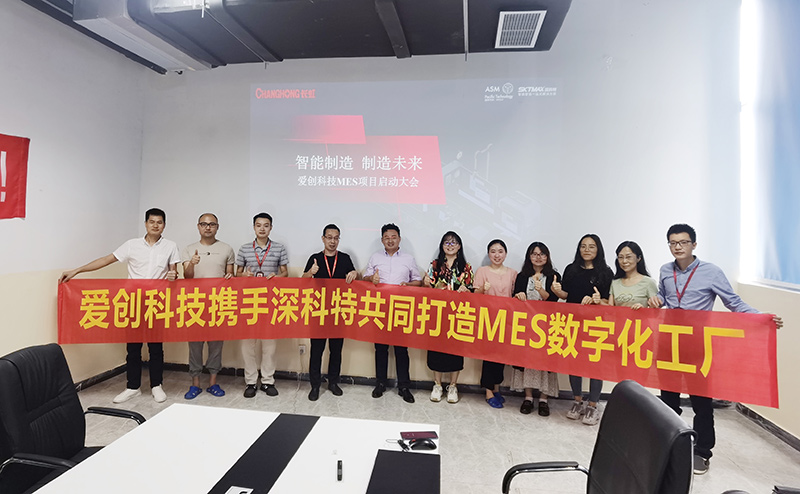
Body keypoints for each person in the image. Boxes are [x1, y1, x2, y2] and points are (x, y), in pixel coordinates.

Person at [647, 223, 783, 475]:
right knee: (668, 399)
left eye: (683, 242)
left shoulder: (711, 272)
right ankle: (669, 443)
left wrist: (760, 318)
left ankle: (702, 451)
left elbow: (733, 302)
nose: (678, 247)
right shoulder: (666, 269)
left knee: (701, 401)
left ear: (694, 244)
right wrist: (657, 299)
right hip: (670, 341)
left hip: (698, 344)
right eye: (673, 243)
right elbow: (664, 296)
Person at [59, 208, 180, 404]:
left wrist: (173, 276)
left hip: (156, 302)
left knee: (156, 346)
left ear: (164, 225)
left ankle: (157, 385)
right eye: (152, 221)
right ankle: (132, 387)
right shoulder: (131, 245)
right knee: (133, 346)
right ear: (146, 224)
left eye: (159, 222)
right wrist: (77, 270)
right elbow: (106, 260)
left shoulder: (171, 246)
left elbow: (174, 274)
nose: (155, 225)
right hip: (133, 301)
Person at [552, 233, 613, 425]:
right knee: (574, 364)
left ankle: (593, 405)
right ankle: (577, 401)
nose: (587, 250)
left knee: (596, 366)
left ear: (598, 249)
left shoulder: (606, 272)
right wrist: (557, 291)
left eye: (591, 246)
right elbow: (566, 295)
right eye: (583, 246)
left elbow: (609, 302)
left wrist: (598, 301)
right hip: (573, 323)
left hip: (596, 325)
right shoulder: (571, 269)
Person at [364, 223, 422, 404]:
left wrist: (408, 285)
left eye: (393, 237)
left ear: (399, 239)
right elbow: (364, 278)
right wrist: (371, 278)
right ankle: (380, 383)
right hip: (380, 308)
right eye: (386, 237)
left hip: (401, 308)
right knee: (380, 348)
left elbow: (418, 281)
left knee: (401, 349)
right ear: (382, 240)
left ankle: (404, 386)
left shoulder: (408, 258)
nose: (390, 240)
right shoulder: (375, 257)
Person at [302, 224, 360, 401]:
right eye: (329, 237)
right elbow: (303, 281)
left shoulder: (345, 258)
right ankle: (315, 385)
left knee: (336, 350)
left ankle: (333, 382)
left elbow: (354, 276)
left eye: (336, 238)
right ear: (323, 239)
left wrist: (354, 273)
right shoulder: (315, 258)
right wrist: (310, 273)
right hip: (318, 312)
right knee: (316, 351)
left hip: (338, 312)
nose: (332, 241)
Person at [181, 213, 235, 400]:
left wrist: (230, 277)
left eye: (212, 224)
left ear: (217, 227)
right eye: (204, 224)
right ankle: (195, 383)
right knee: (195, 345)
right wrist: (192, 264)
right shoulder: (189, 249)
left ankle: (213, 382)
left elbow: (230, 275)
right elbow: (187, 276)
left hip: (218, 304)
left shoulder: (226, 248)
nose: (208, 227)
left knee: (216, 344)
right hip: (195, 304)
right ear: (198, 226)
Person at [235, 212, 288, 398]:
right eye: (259, 225)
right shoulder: (244, 249)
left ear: (271, 228)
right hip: (249, 301)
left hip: (270, 301)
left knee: (269, 344)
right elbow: (237, 273)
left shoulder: (279, 248)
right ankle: (250, 382)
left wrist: (277, 277)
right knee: (248, 344)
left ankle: (267, 381)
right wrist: (244, 275)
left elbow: (285, 273)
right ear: (254, 227)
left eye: (266, 225)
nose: (262, 229)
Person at [422, 231, 473, 404]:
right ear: (442, 246)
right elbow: (428, 288)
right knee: (436, 349)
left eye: (453, 242)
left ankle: (453, 386)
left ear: (459, 246)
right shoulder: (435, 265)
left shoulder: (466, 267)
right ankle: (437, 384)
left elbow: (472, 290)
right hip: (437, 313)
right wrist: (426, 284)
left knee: (455, 350)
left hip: (458, 314)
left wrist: (466, 291)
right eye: (447, 242)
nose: (450, 245)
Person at [512, 242, 561, 416]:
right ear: (529, 256)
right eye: (534, 254)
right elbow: (515, 298)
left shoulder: (554, 276)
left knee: (545, 362)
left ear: (547, 256)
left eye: (542, 254)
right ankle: (528, 397)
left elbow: (554, 301)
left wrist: (541, 291)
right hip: (527, 325)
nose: (538, 257)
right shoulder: (522, 276)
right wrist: (518, 296)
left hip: (548, 326)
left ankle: (543, 399)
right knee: (527, 361)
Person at [474, 239, 518, 408]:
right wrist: (483, 290)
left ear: (505, 254)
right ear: (488, 254)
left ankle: (497, 388)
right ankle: (488, 392)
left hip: (506, 321)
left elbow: (515, 295)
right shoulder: (482, 271)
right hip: (488, 320)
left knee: (502, 356)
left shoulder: (513, 273)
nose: (497, 255)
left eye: (500, 251)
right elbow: (475, 295)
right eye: (493, 251)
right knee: (489, 356)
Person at [608, 241, 656, 310]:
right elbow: (610, 309)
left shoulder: (648, 282)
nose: (624, 261)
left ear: (639, 258)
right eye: (620, 257)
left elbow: (656, 309)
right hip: (619, 317)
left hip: (640, 317)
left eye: (628, 257)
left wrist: (643, 309)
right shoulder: (615, 283)